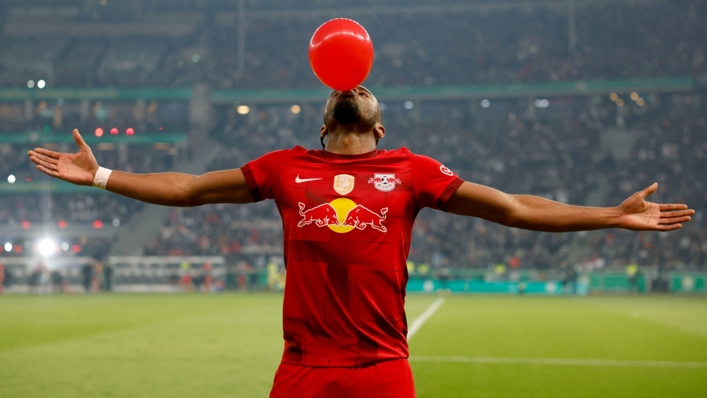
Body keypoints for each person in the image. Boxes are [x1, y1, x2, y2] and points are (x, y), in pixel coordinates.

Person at [28, 86, 694, 397]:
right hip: (302, 370)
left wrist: (610, 214)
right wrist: (107, 175)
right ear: (328, 125)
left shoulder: (412, 171)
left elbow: (516, 208)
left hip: (380, 367)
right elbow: (192, 187)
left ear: (378, 127)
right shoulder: (285, 168)